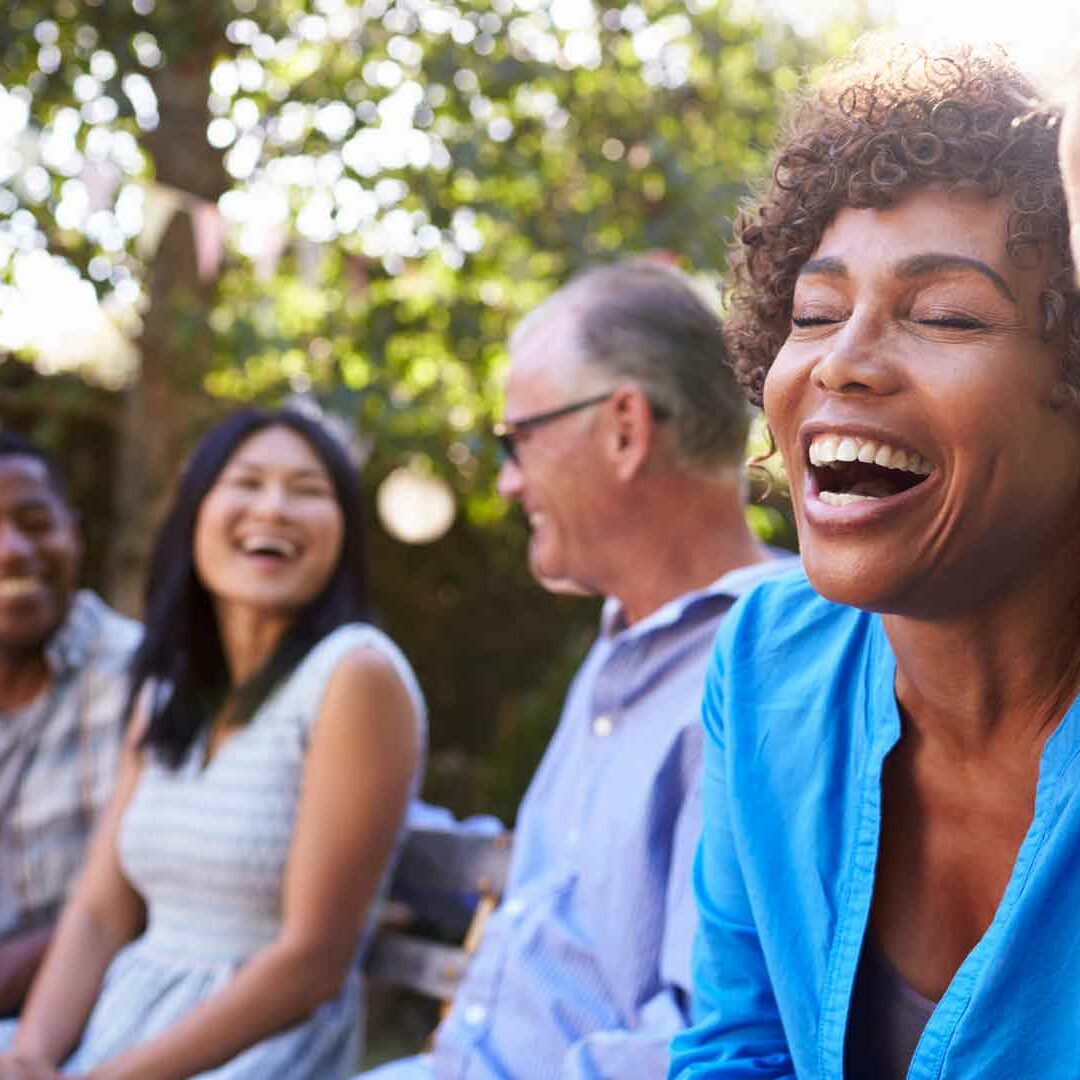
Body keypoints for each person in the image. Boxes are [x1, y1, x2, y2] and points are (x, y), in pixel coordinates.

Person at [670, 39, 1080, 1080]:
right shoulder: (764, 663)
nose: (841, 360)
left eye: (943, 313)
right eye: (812, 314)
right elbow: (736, 1047)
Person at [363, 258, 794, 1080]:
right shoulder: (624, 644)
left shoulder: (769, 668)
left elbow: (705, 1046)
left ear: (624, 428)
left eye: (516, 440)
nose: (509, 481)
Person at [0, 407, 425, 1078]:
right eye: (247, 482)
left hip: (253, 1053)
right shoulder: (169, 689)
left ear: (343, 534)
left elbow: (312, 962)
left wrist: (112, 1077)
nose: (274, 508)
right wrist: (29, 1053)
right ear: (195, 513)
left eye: (307, 491)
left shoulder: (355, 675)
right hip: (119, 1028)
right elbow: (99, 913)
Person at [0, 432, 140, 1017]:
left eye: (34, 522)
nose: (10, 550)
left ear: (73, 532)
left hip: (95, 1026)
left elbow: (151, 903)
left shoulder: (145, 681)